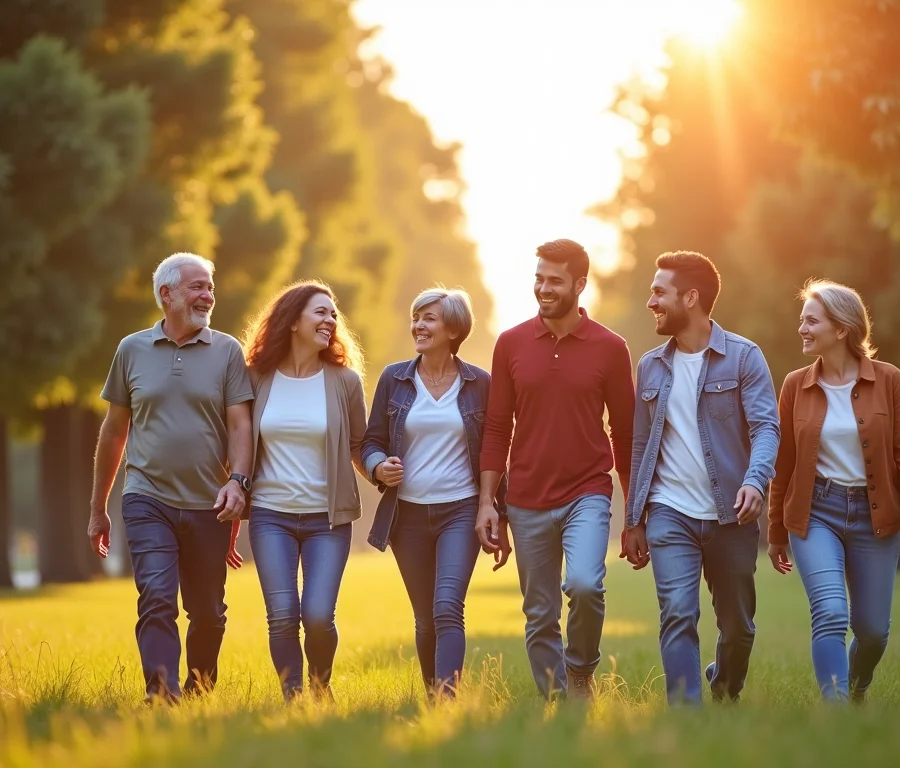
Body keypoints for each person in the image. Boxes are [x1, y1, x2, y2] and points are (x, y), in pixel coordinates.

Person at [88, 252, 253, 703]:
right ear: (167, 293)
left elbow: (240, 424)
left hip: (209, 503)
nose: (208, 295)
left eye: (210, 287)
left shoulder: (227, 351)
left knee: (208, 612)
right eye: (197, 286)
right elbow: (114, 431)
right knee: (157, 597)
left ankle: (200, 692)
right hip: (147, 497)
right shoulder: (131, 350)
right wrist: (99, 508)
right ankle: (162, 692)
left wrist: (238, 482)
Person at [475, 238, 635, 701]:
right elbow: (497, 428)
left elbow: (625, 434)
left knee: (585, 585)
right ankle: (556, 700)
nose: (544, 288)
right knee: (540, 613)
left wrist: (634, 513)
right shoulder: (511, 343)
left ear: (580, 284)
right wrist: (488, 503)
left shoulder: (611, 348)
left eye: (555, 281)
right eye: (539, 278)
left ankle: (580, 672)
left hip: (587, 490)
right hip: (525, 497)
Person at [622, 251, 780, 706]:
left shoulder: (744, 357)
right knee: (677, 613)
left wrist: (755, 481)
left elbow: (766, 427)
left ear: (690, 298)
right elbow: (640, 444)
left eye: (659, 292)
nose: (651, 301)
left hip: (731, 511)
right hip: (669, 512)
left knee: (738, 627)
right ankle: (686, 713)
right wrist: (634, 519)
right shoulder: (650, 366)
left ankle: (724, 688)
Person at [767, 278, 900, 702]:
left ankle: (855, 690)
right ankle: (836, 708)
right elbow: (783, 464)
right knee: (830, 612)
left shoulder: (889, 380)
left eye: (811, 321)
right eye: (802, 320)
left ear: (841, 328)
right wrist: (776, 531)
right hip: (815, 513)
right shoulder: (795, 385)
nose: (802, 329)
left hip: (875, 518)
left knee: (873, 631)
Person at [362, 287, 506, 700]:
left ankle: (447, 698)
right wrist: (378, 466)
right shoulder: (394, 378)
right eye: (416, 317)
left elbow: (496, 450)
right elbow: (371, 441)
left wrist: (500, 514)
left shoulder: (480, 383)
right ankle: (432, 697)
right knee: (425, 618)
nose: (418, 326)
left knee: (447, 607)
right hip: (406, 516)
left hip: (460, 511)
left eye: (429, 318)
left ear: (454, 329)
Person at [241, 280, 368, 702]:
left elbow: (360, 445)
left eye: (334, 314)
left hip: (327, 520)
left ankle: (320, 685)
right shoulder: (256, 378)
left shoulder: (344, 381)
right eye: (321, 312)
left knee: (316, 615)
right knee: (281, 616)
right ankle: (294, 697)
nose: (331, 320)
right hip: (269, 516)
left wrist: (378, 468)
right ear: (293, 321)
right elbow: (237, 438)